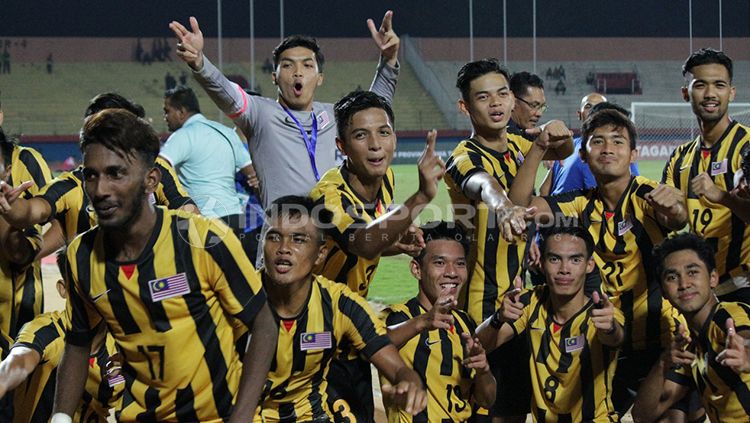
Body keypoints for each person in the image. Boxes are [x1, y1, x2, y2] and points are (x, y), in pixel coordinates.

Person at [50, 109, 277, 422]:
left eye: (116, 174)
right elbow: (77, 342)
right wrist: (60, 417)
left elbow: (263, 323)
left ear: (150, 180)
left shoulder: (202, 240)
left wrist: (241, 416)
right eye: (91, 175)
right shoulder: (80, 256)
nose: (100, 190)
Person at [510, 108, 689, 416]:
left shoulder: (644, 194)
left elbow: (675, 215)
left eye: (618, 142)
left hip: (659, 339)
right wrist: (540, 146)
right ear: (583, 154)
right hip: (606, 341)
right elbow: (518, 204)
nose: (608, 149)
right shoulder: (580, 203)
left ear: (633, 152)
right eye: (598, 141)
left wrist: (676, 208)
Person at [446, 58, 573, 423]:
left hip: (521, 299)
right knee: (484, 408)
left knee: (515, 406)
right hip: (481, 303)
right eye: (483, 97)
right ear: (465, 107)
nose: (496, 103)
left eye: (502, 93)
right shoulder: (462, 155)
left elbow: (563, 150)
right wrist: (501, 206)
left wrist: (557, 134)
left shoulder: (519, 142)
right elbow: (485, 185)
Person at [169, 11, 400, 207]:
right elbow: (225, 91)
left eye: (307, 65)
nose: (298, 72)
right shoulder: (260, 114)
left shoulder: (332, 115)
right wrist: (199, 62)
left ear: (319, 77)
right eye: (288, 65)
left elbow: (373, 111)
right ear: (274, 77)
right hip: (284, 244)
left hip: (332, 242)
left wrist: (389, 62)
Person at [310, 90, 443, 423]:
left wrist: (395, 243)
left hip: (351, 335)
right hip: (315, 339)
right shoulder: (327, 196)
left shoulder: (386, 180)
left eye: (383, 132)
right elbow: (362, 243)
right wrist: (421, 197)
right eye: (360, 135)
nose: (375, 144)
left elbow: (365, 243)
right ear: (341, 146)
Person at [255, 195, 426, 422]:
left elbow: (392, 363)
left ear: (320, 254)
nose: (284, 248)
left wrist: (409, 381)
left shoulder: (339, 303)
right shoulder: (236, 298)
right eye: (274, 237)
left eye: (298, 239)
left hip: (311, 416)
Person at [0, 93, 198, 260]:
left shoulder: (153, 169)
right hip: (93, 297)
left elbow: (187, 211)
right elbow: (35, 210)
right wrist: (11, 207)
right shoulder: (72, 186)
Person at [476, 225, 624, 422]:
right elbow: (478, 346)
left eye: (575, 260)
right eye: (555, 259)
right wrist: (498, 319)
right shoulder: (531, 302)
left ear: (589, 265)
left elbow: (615, 337)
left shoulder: (604, 313)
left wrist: (610, 328)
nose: (564, 270)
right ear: (542, 264)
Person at [382, 221, 496, 422]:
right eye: (439, 263)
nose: (452, 272)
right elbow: (374, 344)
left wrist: (483, 371)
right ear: (416, 270)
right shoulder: (399, 316)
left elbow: (487, 400)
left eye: (460, 263)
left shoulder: (464, 323)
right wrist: (424, 321)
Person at [661, 48, 750, 304]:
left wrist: (723, 197)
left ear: (731, 93)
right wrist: (669, 211)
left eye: (719, 85)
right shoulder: (680, 158)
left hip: (744, 286)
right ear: (685, 93)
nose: (710, 94)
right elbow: (674, 221)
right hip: (703, 292)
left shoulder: (747, 147)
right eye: (700, 85)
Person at [631, 233, 750, 422]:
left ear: (713, 278)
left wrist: (745, 355)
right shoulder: (690, 346)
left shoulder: (726, 316)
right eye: (672, 276)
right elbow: (642, 416)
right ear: (663, 292)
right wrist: (663, 363)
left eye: (692, 272)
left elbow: (744, 336)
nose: (684, 284)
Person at [0, 250, 122, 423]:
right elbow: (19, 360)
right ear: (63, 289)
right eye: (83, 283)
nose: (93, 292)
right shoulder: (46, 330)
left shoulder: (124, 345)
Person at [161, 85, 254, 232]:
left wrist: (175, 201)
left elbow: (160, 167)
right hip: (235, 218)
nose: (165, 117)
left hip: (203, 220)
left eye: (167, 111)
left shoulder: (183, 136)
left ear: (181, 112)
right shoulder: (227, 133)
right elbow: (253, 174)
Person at [539, 96, 640, 196]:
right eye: (588, 106)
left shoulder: (568, 146)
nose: (608, 149)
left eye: (617, 141)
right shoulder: (599, 157)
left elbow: (544, 190)